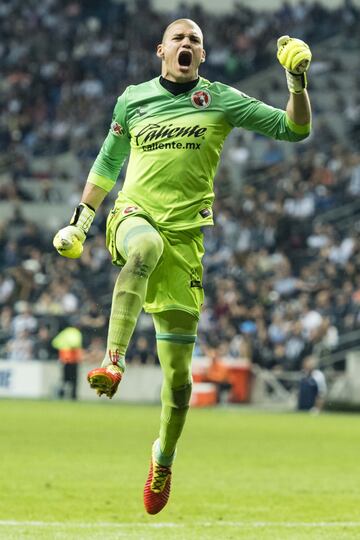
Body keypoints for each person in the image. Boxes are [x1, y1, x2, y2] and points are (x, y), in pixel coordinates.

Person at [53, 19, 312, 514]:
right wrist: (82, 223)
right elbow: (107, 166)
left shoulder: (220, 100)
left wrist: (296, 84)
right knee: (142, 248)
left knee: (179, 384)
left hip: (186, 242)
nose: (187, 44)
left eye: (195, 39)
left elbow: (295, 128)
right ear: (161, 50)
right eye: (179, 38)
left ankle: (163, 457)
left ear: (203, 54)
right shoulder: (133, 100)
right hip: (133, 216)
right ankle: (114, 359)